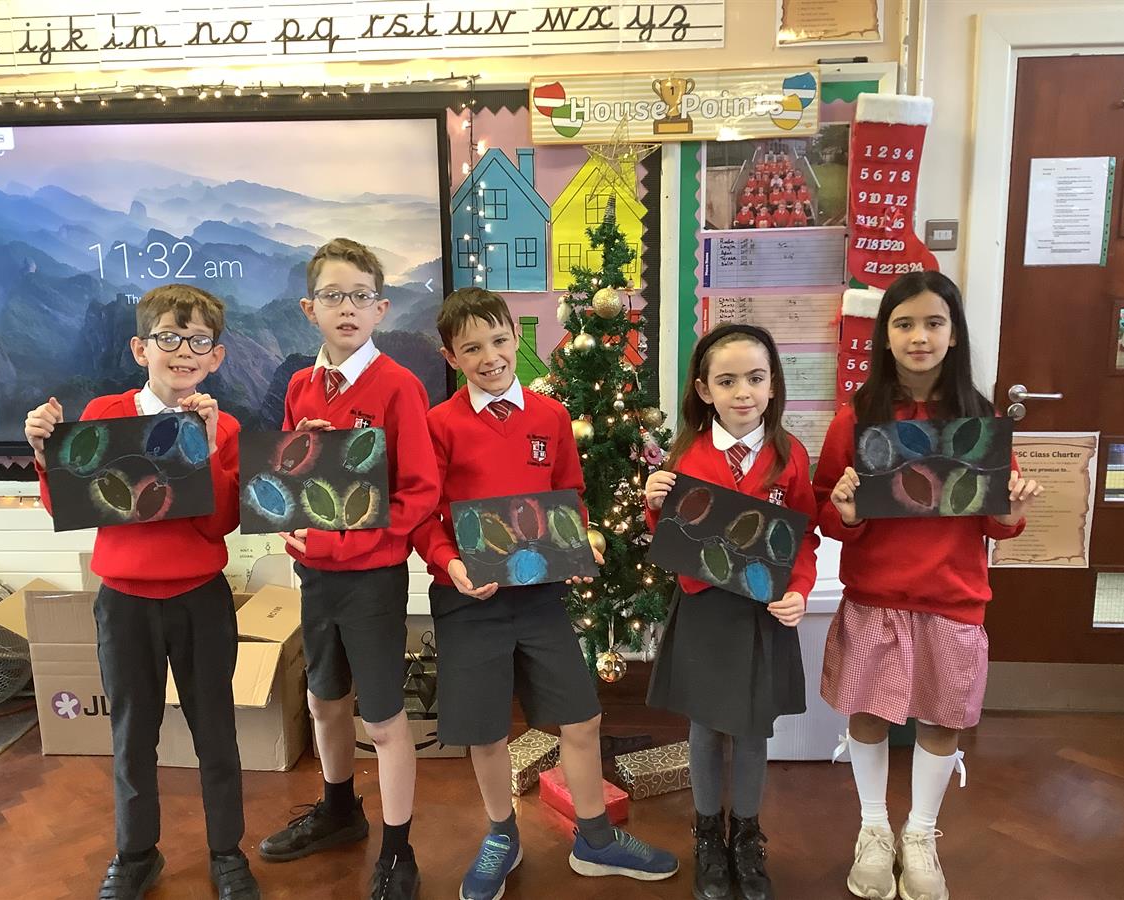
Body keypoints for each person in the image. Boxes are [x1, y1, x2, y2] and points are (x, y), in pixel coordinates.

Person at [412, 287, 678, 900]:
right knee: (485, 731)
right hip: (469, 598)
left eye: (499, 341)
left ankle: (596, 839)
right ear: (451, 357)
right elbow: (424, 516)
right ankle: (502, 835)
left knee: (581, 717)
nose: (490, 357)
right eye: (471, 349)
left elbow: (569, 495)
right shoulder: (438, 424)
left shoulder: (551, 417)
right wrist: (450, 563)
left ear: (516, 338)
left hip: (538, 598)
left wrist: (576, 545)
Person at [24, 284, 259, 900]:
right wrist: (46, 457)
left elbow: (220, 523)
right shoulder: (105, 414)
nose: (183, 352)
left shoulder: (225, 425)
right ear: (140, 349)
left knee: (215, 730)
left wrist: (209, 449)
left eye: (199, 341)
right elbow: (70, 503)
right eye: (169, 338)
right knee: (132, 732)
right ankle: (136, 853)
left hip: (201, 599)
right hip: (124, 600)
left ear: (216, 356)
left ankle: (226, 851)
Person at [813, 271, 1042, 900]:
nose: (919, 337)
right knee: (868, 714)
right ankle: (873, 829)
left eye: (934, 323)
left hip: (952, 597)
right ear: (884, 336)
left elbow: (997, 520)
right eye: (904, 323)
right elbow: (827, 511)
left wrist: (1013, 510)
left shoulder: (980, 420)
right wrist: (847, 511)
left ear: (954, 333)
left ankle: (919, 834)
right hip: (875, 597)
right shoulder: (855, 420)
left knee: (942, 720)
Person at [257, 238, 439, 900]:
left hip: (372, 580)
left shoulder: (399, 387)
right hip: (315, 578)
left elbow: (418, 494)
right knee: (322, 699)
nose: (347, 308)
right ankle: (339, 811)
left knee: (383, 720)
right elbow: (291, 478)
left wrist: (341, 543)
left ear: (380, 308)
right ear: (310, 308)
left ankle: (398, 849)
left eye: (361, 296)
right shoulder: (301, 385)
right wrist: (289, 520)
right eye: (332, 295)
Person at [644, 324, 819, 900]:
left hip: (762, 613)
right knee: (704, 726)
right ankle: (706, 835)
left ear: (773, 385)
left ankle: (745, 835)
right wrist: (653, 505)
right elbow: (672, 535)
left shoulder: (790, 456)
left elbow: (804, 537)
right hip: (705, 608)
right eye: (727, 381)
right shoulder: (685, 455)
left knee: (750, 728)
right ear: (704, 389)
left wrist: (799, 589)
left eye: (755, 378)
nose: (742, 392)